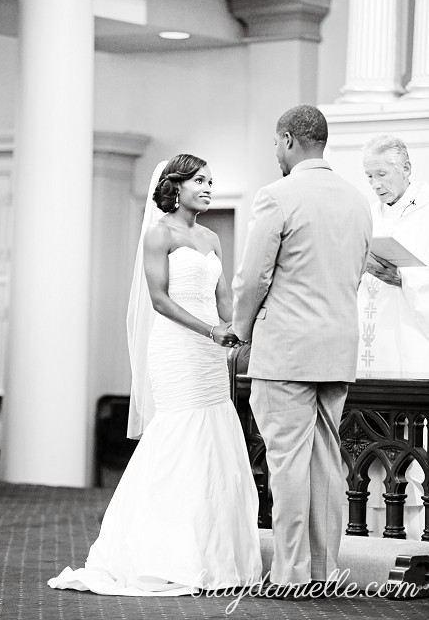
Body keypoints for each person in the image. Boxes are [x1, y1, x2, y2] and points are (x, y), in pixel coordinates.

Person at [48, 154, 262, 596]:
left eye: (211, 180)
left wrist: (241, 332)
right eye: (199, 180)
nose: (208, 187)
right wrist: (211, 330)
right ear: (175, 186)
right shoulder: (158, 234)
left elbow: (225, 298)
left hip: (211, 352)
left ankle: (212, 553)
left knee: (214, 438)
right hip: (176, 348)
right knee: (178, 437)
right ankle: (158, 552)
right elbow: (159, 300)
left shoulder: (212, 237)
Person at [232, 105, 372, 593]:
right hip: (337, 346)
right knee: (327, 462)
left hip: (287, 348)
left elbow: (252, 278)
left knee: (287, 461)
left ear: (289, 139)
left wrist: (241, 330)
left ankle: (291, 573)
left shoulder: (278, 196)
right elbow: (352, 275)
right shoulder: (357, 200)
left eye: (275, 143)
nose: (275, 152)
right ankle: (325, 570)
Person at [356, 134, 429, 539]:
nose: (376, 184)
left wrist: (405, 277)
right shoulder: (367, 215)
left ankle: (415, 530)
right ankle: (368, 524)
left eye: (382, 174)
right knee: (369, 441)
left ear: (406, 169)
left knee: (411, 443)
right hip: (368, 345)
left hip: (411, 341)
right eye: (369, 176)